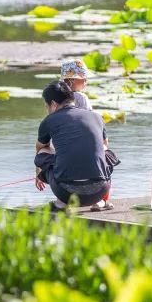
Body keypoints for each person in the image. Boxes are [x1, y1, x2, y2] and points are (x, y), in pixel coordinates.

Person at [34, 80, 112, 211]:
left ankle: (60, 203)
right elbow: (104, 147)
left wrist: (38, 174)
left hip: (66, 194)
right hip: (99, 192)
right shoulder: (97, 117)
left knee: (43, 151)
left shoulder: (49, 121)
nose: (47, 110)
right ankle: (103, 201)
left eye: (46, 106)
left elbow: (40, 148)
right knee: (105, 151)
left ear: (53, 104)